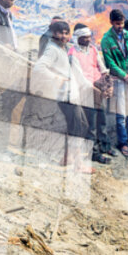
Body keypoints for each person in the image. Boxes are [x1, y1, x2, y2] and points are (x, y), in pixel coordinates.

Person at [21, 20, 91, 169]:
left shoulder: (62, 48)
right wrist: (57, 78)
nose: (64, 36)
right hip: (65, 95)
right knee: (78, 127)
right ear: (54, 33)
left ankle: (67, 157)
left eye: (66, 33)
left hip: (70, 94)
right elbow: (39, 68)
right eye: (60, 33)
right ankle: (78, 164)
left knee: (79, 126)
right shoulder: (52, 49)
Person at [69, 24, 114, 163]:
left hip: (98, 88)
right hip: (86, 91)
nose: (88, 40)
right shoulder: (72, 54)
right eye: (85, 37)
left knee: (102, 119)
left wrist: (108, 84)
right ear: (78, 38)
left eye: (89, 37)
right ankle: (93, 153)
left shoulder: (93, 49)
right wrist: (96, 90)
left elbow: (102, 68)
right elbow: (80, 78)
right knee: (92, 124)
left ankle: (104, 146)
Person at [100, 8, 128, 157]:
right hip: (119, 80)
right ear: (111, 22)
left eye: (122, 23)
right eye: (117, 24)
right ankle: (122, 142)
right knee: (121, 112)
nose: (120, 26)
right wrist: (124, 76)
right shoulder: (106, 40)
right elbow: (110, 63)